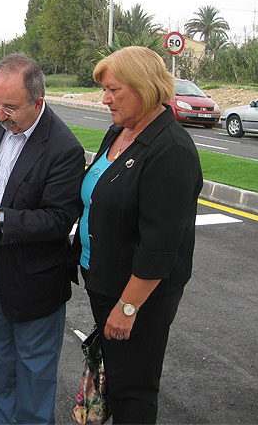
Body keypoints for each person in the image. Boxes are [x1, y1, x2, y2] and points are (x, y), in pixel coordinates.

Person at [0, 53, 85, 424]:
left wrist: (1, 219)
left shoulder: (63, 148)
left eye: (10, 107)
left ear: (38, 102)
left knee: (34, 365)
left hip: (35, 274)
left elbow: (60, 219)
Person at [72, 46, 203, 424]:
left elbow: (161, 245)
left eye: (114, 90)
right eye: (104, 89)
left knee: (134, 389)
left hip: (138, 298)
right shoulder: (120, 131)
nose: (105, 98)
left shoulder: (171, 150)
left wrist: (127, 308)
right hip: (104, 280)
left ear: (144, 88)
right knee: (115, 375)